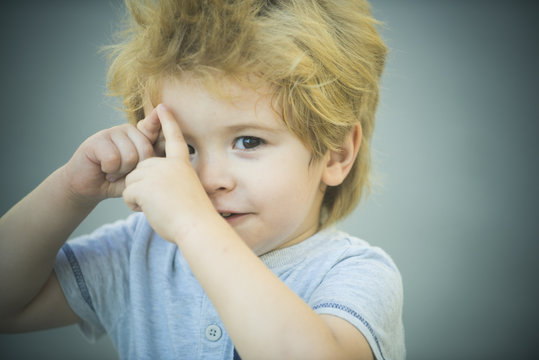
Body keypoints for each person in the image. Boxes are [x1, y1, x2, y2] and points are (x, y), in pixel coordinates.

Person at [0, 0, 404, 359]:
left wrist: (196, 225)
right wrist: (69, 190)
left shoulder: (356, 274)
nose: (207, 180)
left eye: (248, 141)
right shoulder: (137, 254)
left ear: (337, 153)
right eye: (186, 148)